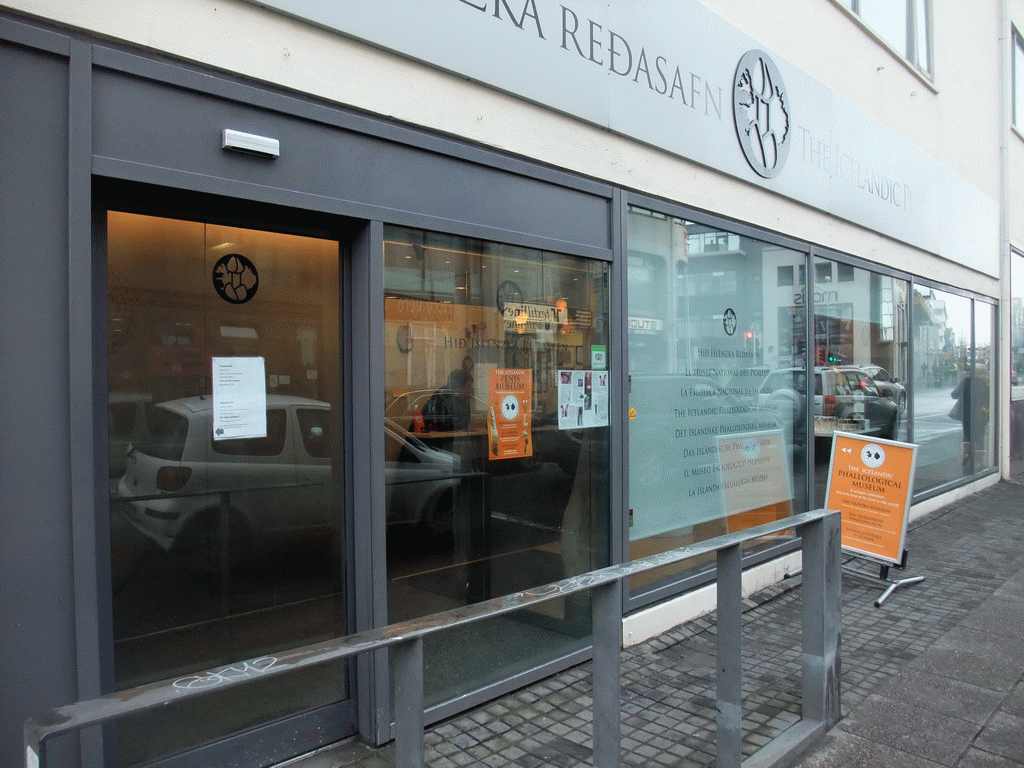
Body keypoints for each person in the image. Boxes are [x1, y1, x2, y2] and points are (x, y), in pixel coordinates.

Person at [951, 364, 991, 472]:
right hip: (980, 415)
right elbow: (989, 399)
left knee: (967, 436)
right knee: (979, 438)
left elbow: (954, 394)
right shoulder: (986, 383)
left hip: (966, 414)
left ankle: (966, 454)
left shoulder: (967, 381)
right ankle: (979, 461)